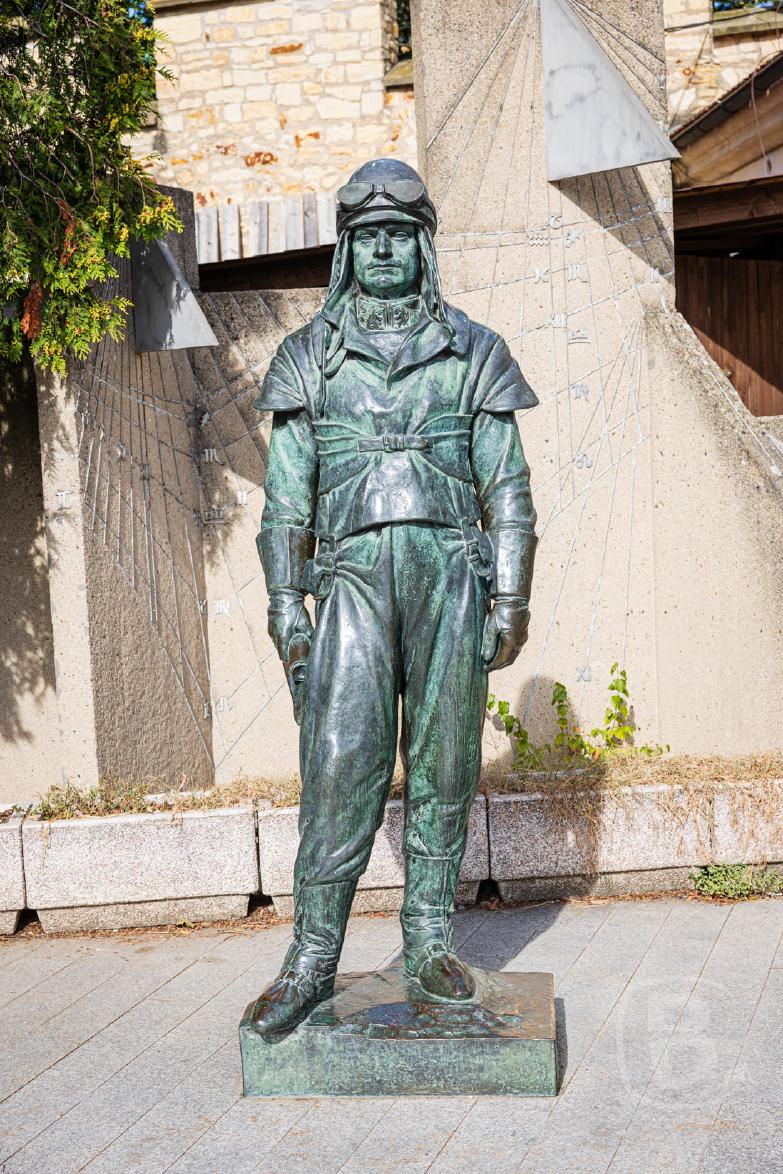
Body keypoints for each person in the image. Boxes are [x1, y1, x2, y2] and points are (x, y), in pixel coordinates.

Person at [250, 157, 537, 1038]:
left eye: (398, 236)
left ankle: (428, 943)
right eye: (367, 236)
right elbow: (285, 501)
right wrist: (284, 604)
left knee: (445, 764)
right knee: (339, 767)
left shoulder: (474, 351)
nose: (382, 250)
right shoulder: (307, 359)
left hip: (450, 575)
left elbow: (507, 489)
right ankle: (311, 958)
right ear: (346, 250)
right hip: (349, 584)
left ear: (423, 247)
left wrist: (512, 597)